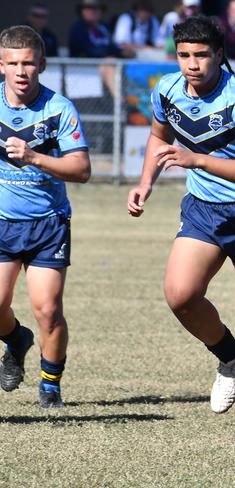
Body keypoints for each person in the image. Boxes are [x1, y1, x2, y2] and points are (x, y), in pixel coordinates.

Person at [126, 16, 235, 427]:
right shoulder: (167, 90)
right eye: (184, 55)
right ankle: (230, 355)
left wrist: (197, 159)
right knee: (180, 295)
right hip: (203, 209)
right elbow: (158, 136)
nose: (192, 63)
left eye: (201, 55)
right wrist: (145, 182)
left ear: (219, 55)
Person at [0, 25, 91, 408]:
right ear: (1, 65)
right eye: (13, 63)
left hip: (48, 224)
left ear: (42, 64)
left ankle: (50, 383)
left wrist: (35, 157)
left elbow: (82, 169)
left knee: (48, 309)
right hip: (3, 222)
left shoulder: (58, 110)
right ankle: (17, 339)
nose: (22, 72)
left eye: (29, 63)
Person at [68, 0, 133, 59]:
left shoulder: (104, 27)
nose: (92, 11)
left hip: (111, 61)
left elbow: (112, 45)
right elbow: (87, 51)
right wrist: (114, 53)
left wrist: (121, 52)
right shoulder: (78, 29)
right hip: (85, 67)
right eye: (88, 8)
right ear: (82, 11)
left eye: (96, 8)